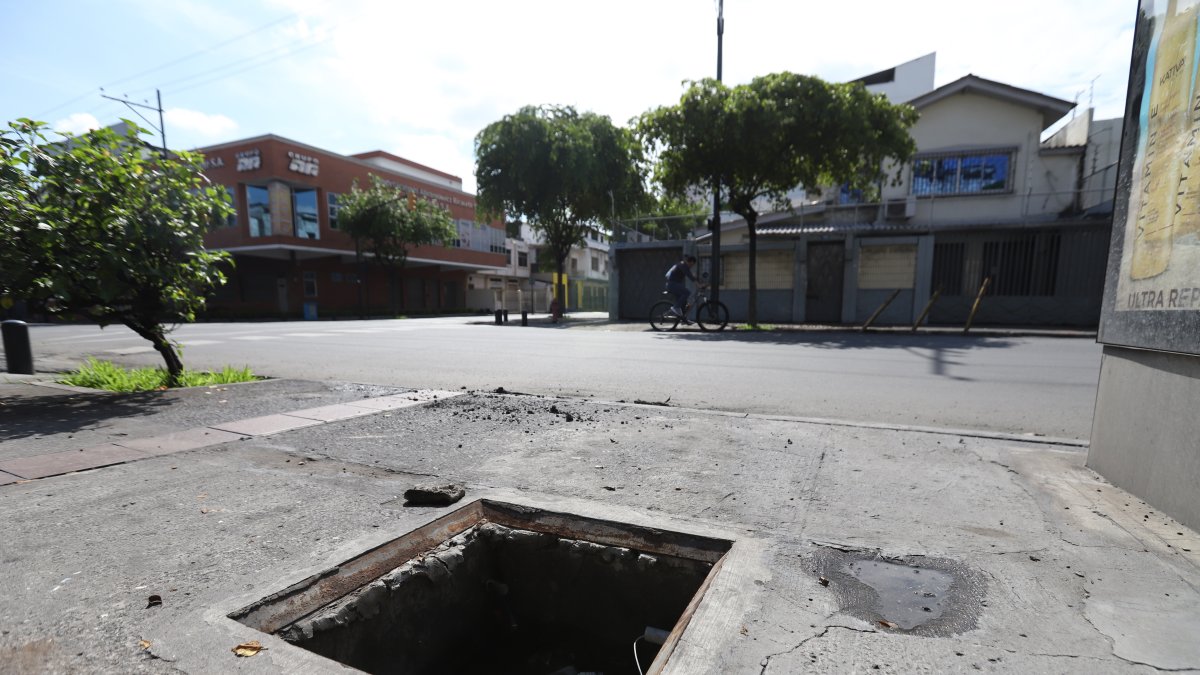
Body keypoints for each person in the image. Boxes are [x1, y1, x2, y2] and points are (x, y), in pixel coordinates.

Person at [664, 255, 698, 322]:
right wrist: (699, 284)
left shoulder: (683, 265)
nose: (692, 266)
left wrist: (697, 280)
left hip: (674, 284)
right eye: (692, 264)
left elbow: (691, 275)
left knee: (684, 302)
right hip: (672, 284)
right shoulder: (683, 265)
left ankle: (683, 319)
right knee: (687, 293)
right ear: (690, 262)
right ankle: (675, 308)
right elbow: (689, 275)